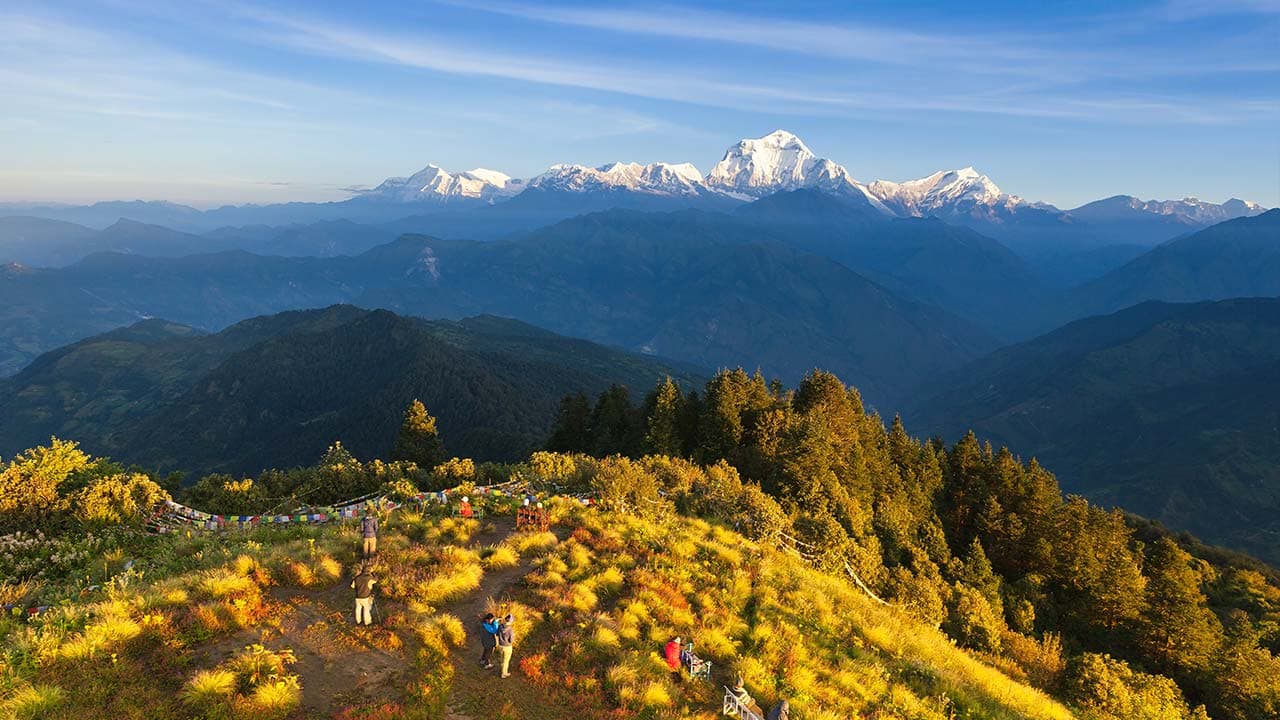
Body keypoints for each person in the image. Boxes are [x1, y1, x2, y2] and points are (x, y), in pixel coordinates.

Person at [497, 613, 515, 678]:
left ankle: (502, 670)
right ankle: (504, 673)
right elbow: (511, 640)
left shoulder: (500, 626)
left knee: (502, 660)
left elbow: (497, 634)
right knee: (506, 661)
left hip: (500, 645)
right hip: (507, 647)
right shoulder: (510, 630)